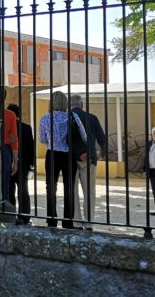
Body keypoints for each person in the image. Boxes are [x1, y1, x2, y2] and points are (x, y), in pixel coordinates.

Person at [39, 91, 87, 229]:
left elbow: (42, 138)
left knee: (51, 187)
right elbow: (83, 135)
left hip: (52, 154)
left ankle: (51, 219)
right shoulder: (72, 117)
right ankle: (68, 220)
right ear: (65, 102)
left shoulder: (45, 118)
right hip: (68, 155)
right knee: (69, 188)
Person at [70, 94, 106, 228]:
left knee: (73, 192)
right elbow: (102, 138)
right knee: (89, 192)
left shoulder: (65, 117)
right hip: (89, 158)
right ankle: (89, 221)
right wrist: (101, 154)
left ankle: (77, 221)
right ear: (82, 105)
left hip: (70, 159)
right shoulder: (91, 117)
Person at [9, 103, 34, 224]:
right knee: (23, 190)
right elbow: (31, 147)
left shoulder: (5, 127)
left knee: (9, 190)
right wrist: (32, 164)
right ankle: (24, 216)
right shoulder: (27, 128)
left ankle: (10, 214)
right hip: (23, 164)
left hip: (9, 162)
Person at [1, 104, 19, 207]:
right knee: (5, 181)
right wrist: (15, 161)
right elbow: (13, 138)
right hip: (5, 148)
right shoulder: (10, 114)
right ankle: (4, 206)